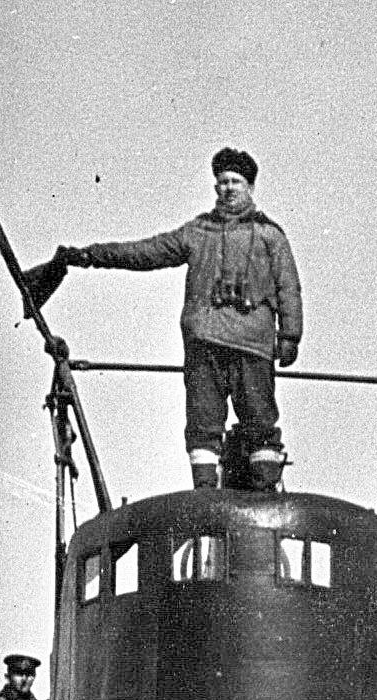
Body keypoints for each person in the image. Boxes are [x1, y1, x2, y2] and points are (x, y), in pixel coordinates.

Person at [55, 148, 302, 493]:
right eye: (223, 182)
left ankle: (263, 493)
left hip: (252, 345)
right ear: (216, 187)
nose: (229, 188)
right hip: (205, 342)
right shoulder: (198, 231)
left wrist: (290, 336)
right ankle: (205, 495)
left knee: (259, 422)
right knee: (203, 423)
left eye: (236, 182)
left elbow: (288, 286)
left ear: (250, 187)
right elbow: (147, 252)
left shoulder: (270, 236)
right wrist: (90, 255)